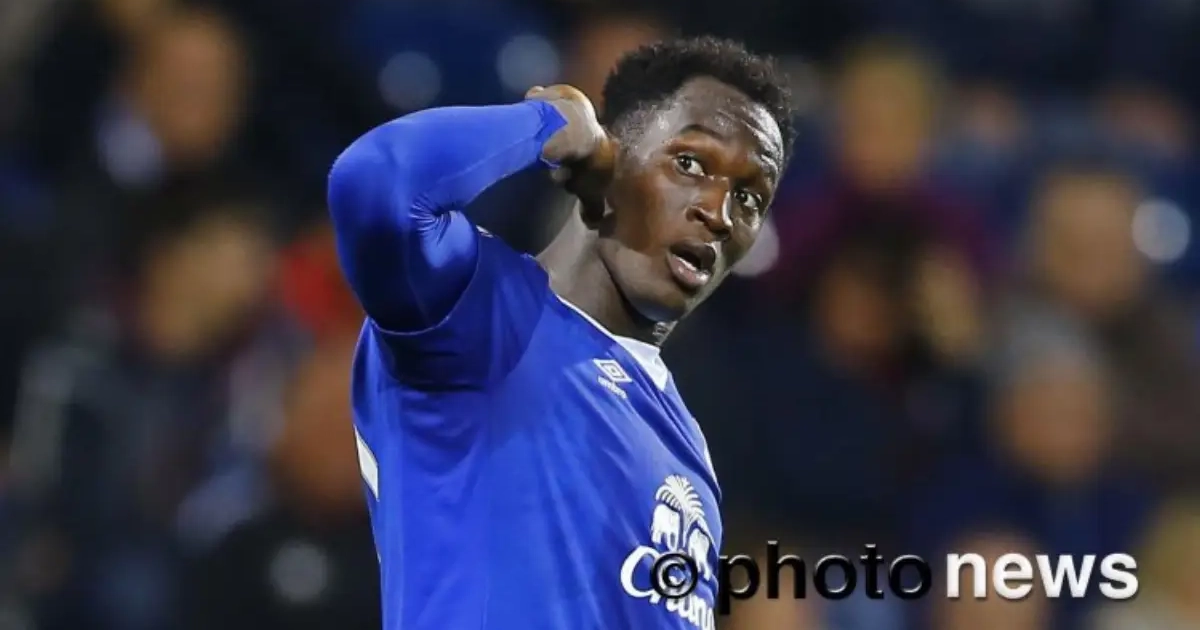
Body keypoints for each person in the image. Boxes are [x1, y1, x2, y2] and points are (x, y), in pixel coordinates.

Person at [327, 36, 794, 630]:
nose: (719, 213)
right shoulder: (482, 312)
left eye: (749, 197)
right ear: (610, 155)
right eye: (690, 164)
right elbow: (378, 182)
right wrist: (550, 124)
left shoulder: (687, 445)